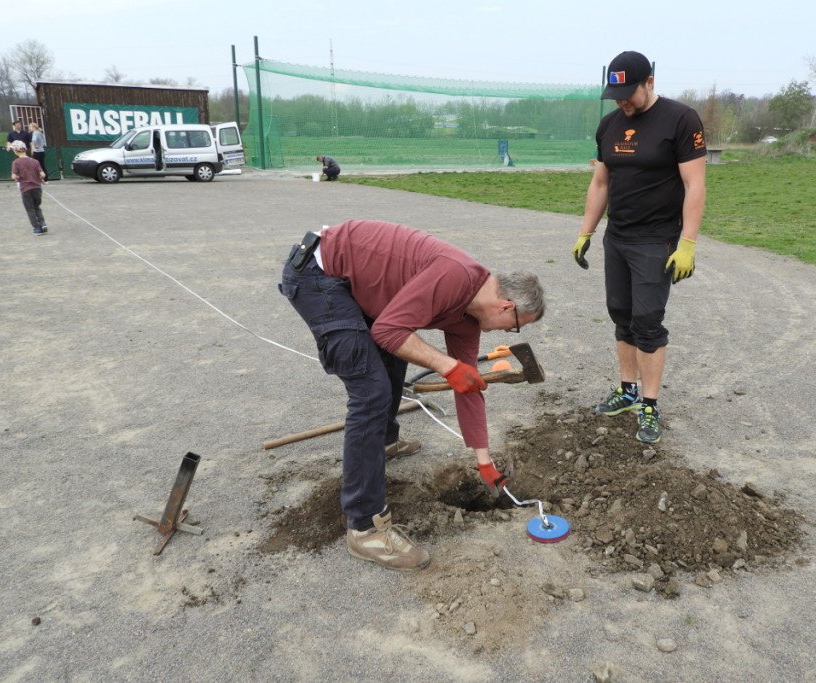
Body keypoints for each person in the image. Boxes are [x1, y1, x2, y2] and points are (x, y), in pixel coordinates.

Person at [279, 220, 545, 571]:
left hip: (355, 283)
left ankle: (384, 442)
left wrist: (483, 459)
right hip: (320, 275)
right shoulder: (456, 277)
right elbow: (389, 330)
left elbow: (466, 387)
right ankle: (365, 529)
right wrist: (448, 366)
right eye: (515, 326)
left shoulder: (467, 317)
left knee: (393, 360)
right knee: (371, 390)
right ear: (506, 306)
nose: (510, 332)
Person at [571, 50, 707, 445]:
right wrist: (586, 232)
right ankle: (627, 391)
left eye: (630, 93)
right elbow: (600, 183)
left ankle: (650, 404)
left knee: (648, 320)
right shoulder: (609, 124)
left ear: (650, 81)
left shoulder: (681, 119)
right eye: (616, 95)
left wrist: (687, 243)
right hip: (619, 235)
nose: (623, 102)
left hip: (656, 238)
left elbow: (694, 184)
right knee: (621, 314)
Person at [9, 141, 48, 235]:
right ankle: (42, 224)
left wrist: (18, 177)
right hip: (37, 188)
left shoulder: (16, 162)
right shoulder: (35, 161)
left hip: (25, 189)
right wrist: (39, 178)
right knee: (37, 206)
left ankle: (37, 228)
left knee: (30, 209)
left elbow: (14, 176)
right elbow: (42, 174)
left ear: (16, 151)